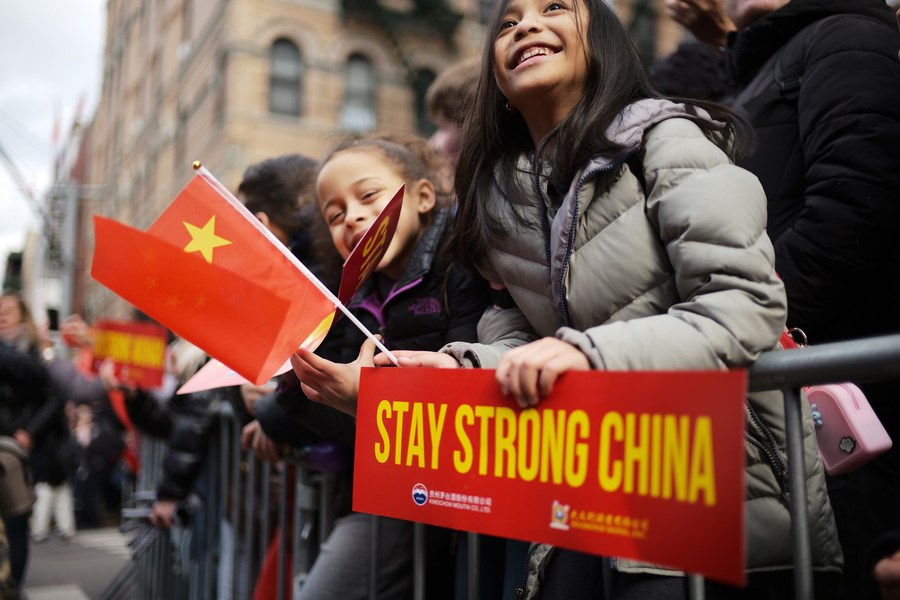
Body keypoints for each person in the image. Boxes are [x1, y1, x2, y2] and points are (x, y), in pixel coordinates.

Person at [371, 0, 844, 596]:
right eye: (508, 23)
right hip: (593, 501)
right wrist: (456, 371)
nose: (526, 25)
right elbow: (528, 344)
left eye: (555, 7)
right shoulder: (500, 201)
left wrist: (588, 354)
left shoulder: (668, 140)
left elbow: (744, 303)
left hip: (725, 501)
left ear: (605, 43)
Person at [668, 0, 900, 596]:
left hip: (840, 405)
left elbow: (855, 208)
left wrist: (745, 319)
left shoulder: (845, 36)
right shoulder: (766, 63)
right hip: (787, 398)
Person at [290, 133, 491, 599]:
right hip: (383, 497)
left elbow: (469, 392)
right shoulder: (351, 302)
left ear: (423, 197)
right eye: (335, 215)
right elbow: (341, 425)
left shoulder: (462, 265)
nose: (352, 217)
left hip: (448, 501)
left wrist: (370, 400)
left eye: (367, 196)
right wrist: (293, 384)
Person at [0, 292, 64, 592]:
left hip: (16, 450)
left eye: (9, 311)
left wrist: (29, 432)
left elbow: (54, 397)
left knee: (14, 522)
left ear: (22, 316)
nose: (2, 316)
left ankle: (12, 587)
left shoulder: (33, 352)